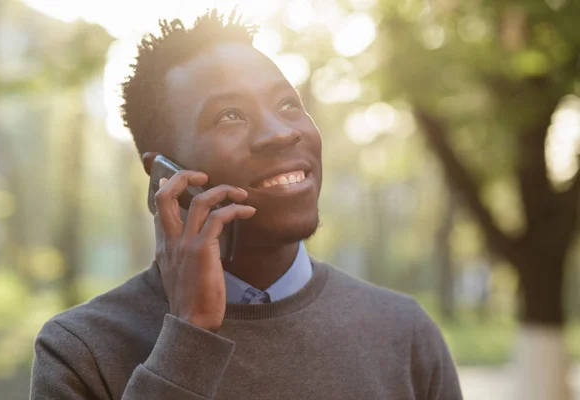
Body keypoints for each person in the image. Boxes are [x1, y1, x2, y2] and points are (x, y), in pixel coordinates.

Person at [30, 9, 462, 400]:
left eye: (288, 104)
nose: (281, 132)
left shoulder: (403, 332)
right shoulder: (78, 350)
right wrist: (188, 339)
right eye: (229, 116)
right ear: (166, 175)